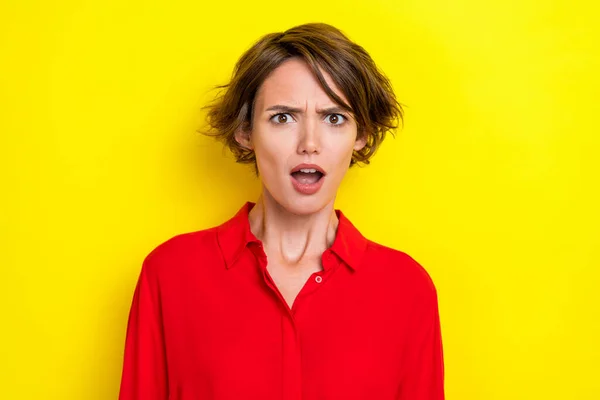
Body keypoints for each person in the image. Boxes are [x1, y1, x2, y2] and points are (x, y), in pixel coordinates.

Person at [118, 22, 444, 400]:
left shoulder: (406, 290)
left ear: (361, 135)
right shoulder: (171, 274)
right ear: (245, 131)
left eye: (334, 117)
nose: (309, 143)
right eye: (283, 117)